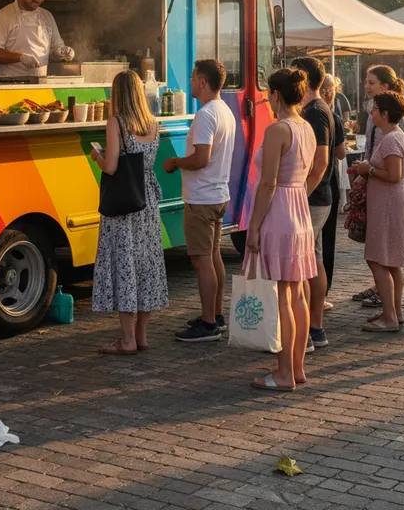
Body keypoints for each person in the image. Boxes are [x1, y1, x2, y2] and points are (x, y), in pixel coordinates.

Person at [245, 69, 320, 391]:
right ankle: (297, 368)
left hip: (279, 212)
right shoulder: (306, 127)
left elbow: (268, 182)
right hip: (299, 209)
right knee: (298, 293)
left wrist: (254, 225)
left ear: (276, 95)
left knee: (284, 297)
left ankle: (284, 372)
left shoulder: (278, 129)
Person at [90, 71, 168, 354]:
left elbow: (111, 167)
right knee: (145, 265)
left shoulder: (117, 123)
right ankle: (142, 335)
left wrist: (97, 156)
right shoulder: (152, 123)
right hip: (146, 199)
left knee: (124, 265)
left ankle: (126, 340)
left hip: (124, 204)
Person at [163, 59, 236, 342]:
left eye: (193, 77)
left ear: (202, 82)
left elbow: (201, 158)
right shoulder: (224, 111)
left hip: (202, 198)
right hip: (218, 194)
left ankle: (208, 324)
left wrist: (175, 162)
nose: (190, 82)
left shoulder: (206, 115)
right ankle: (215, 315)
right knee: (214, 256)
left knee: (201, 260)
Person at [353, 91, 404, 332]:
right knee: (391, 261)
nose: (372, 112)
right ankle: (394, 312)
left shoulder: (391, 138)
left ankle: (390, 316)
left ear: (385, 114)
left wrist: (367, 170)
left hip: (390, 204)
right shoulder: (393, 136)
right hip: (389, 202)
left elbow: (393, 174)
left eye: (376, 109)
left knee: (378, 258)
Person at [291, 57, 334, 351]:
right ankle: (314, 328)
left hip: (313, 198)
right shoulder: (319, 109)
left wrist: (301, 193)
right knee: (314, 261)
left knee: (308, 265)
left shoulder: (316, 112)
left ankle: (311, 329)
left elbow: (321, 160)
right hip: (317, 197)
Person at [320, 74, 348, 309]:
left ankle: (320, 291)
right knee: (325, 241)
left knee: (321, 241)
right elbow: (341, 153)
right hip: (329, 182)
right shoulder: (334, 118)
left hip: (322, 182)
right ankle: (323, 290)